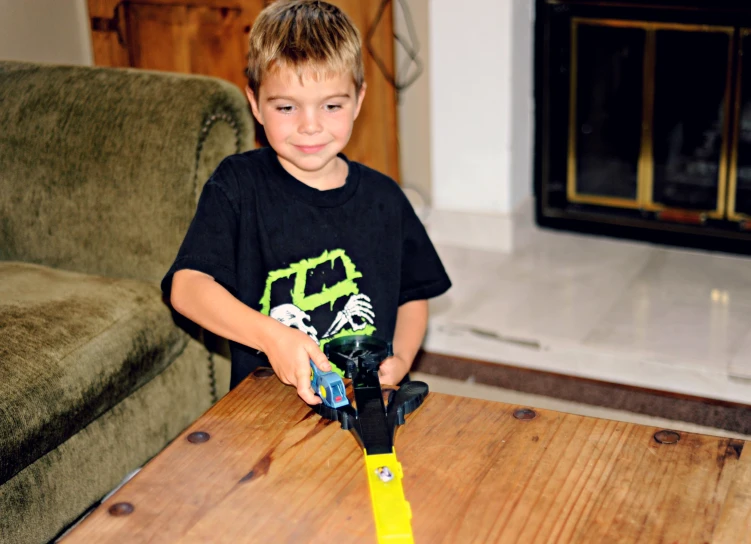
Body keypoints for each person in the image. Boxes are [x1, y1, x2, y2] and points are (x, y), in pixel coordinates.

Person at [161, 0, 451, 406]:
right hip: (264, 414)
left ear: (358, 100)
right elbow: (187, 289)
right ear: (255, 102)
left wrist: (401, 358)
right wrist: (272, 336)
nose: (310, 125)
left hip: (369, 405)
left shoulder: (385, 198)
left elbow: (413, 294)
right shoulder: (237, 186)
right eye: (286, 107)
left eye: (331, 105)